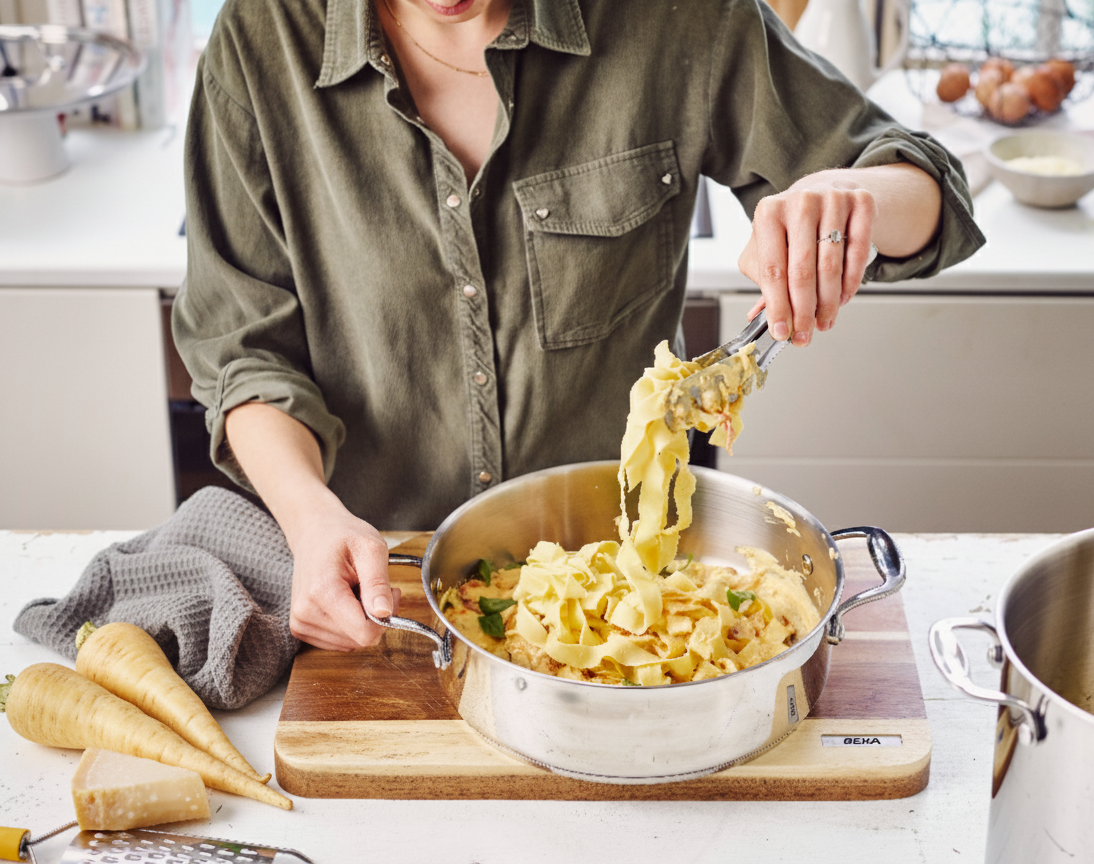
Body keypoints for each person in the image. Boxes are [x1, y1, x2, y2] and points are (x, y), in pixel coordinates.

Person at [173, 0, 985, 652]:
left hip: (639, 588)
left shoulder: (678, 20)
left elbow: (929, 193)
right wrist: (309, 516)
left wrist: (854, 201)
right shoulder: (259, 38)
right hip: (385, 589)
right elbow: (243, 346)